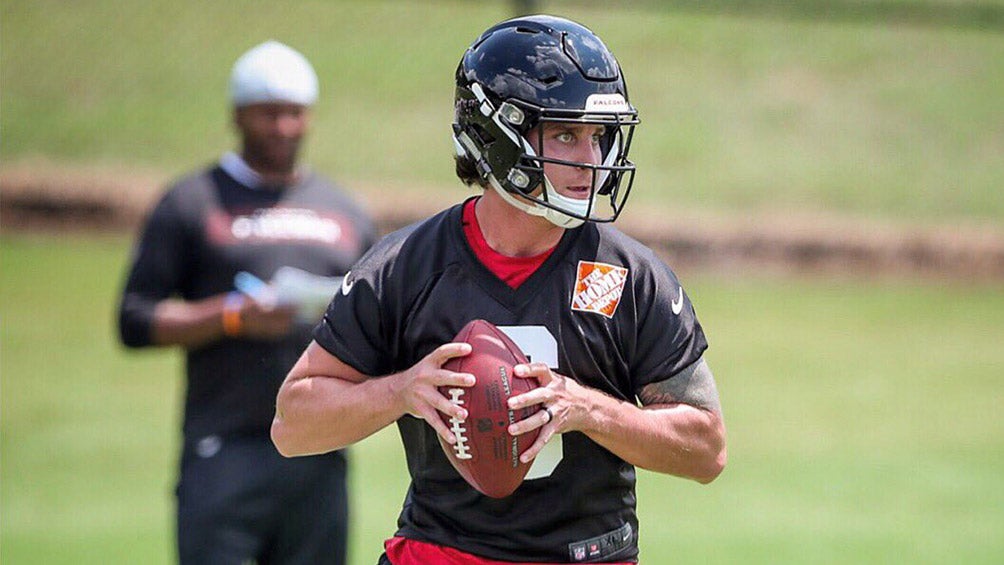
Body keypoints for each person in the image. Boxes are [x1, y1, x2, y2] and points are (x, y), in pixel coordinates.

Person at [272, 15, 726, 565]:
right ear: (497, 136)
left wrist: (585, 408)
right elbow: (292, 425)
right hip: (441, 553)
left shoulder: (631, 275)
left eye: (597, 136)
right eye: (565, 133)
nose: (591, 160)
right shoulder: (406, 268)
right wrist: (402, 391)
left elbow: (707, 448)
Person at [118, 40, 377, 565]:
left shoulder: (343, 211)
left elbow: (381, 317)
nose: (282, 127)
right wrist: (232, 316)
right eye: (269, 113)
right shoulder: (193, 201)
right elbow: (136, 318)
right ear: (238, 115)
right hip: (224, 451)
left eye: (294, 113)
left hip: (319, 452)